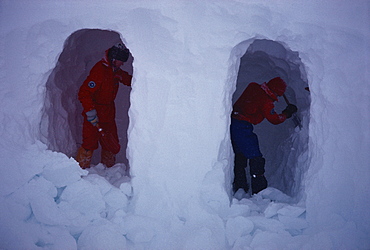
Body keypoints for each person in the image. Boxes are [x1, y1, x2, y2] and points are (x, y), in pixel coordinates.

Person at [231, 77, 297, 194]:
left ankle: (240, 186)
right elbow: (274, 119)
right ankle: (259, 191)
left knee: (240, 156)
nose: (277, 97)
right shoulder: (266, 101)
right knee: (256, 158)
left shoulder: (253, 86)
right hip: (242, 127)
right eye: (278, 94)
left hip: (233, 123)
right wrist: (287, 113)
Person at [76, 43, 132, 169]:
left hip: (108, 113)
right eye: (120, 61)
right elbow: (84, 92)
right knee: (89, 142)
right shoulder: (99, 71)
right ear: (113, 59)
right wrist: (90, 112)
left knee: (110, 143)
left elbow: (129, 79)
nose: (122, 64)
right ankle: (81, 170)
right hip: (94, 113)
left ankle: (109, 172)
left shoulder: (115, 71)